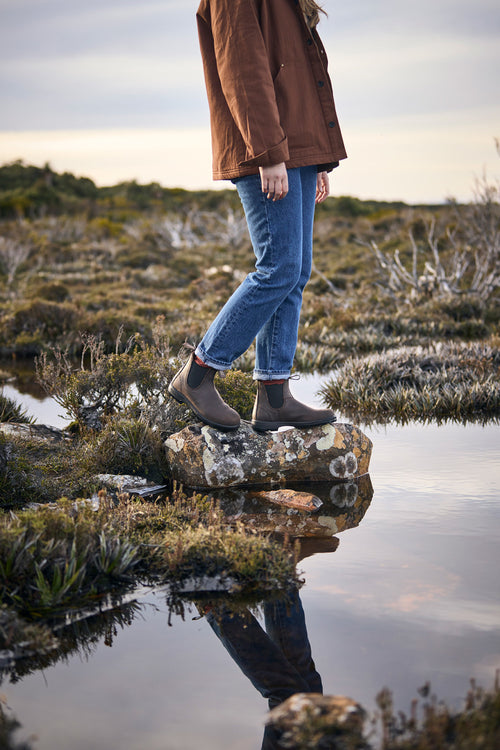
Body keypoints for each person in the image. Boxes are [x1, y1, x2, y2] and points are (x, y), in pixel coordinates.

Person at [168, 0, 347, 431]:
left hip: (296, 147)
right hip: (266, 148)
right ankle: (198, 373)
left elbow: (302, 73)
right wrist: (267, 153)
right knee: (278, 267)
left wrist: (318, 156)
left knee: (296, 269)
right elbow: (242, 68)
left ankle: (274, 395)